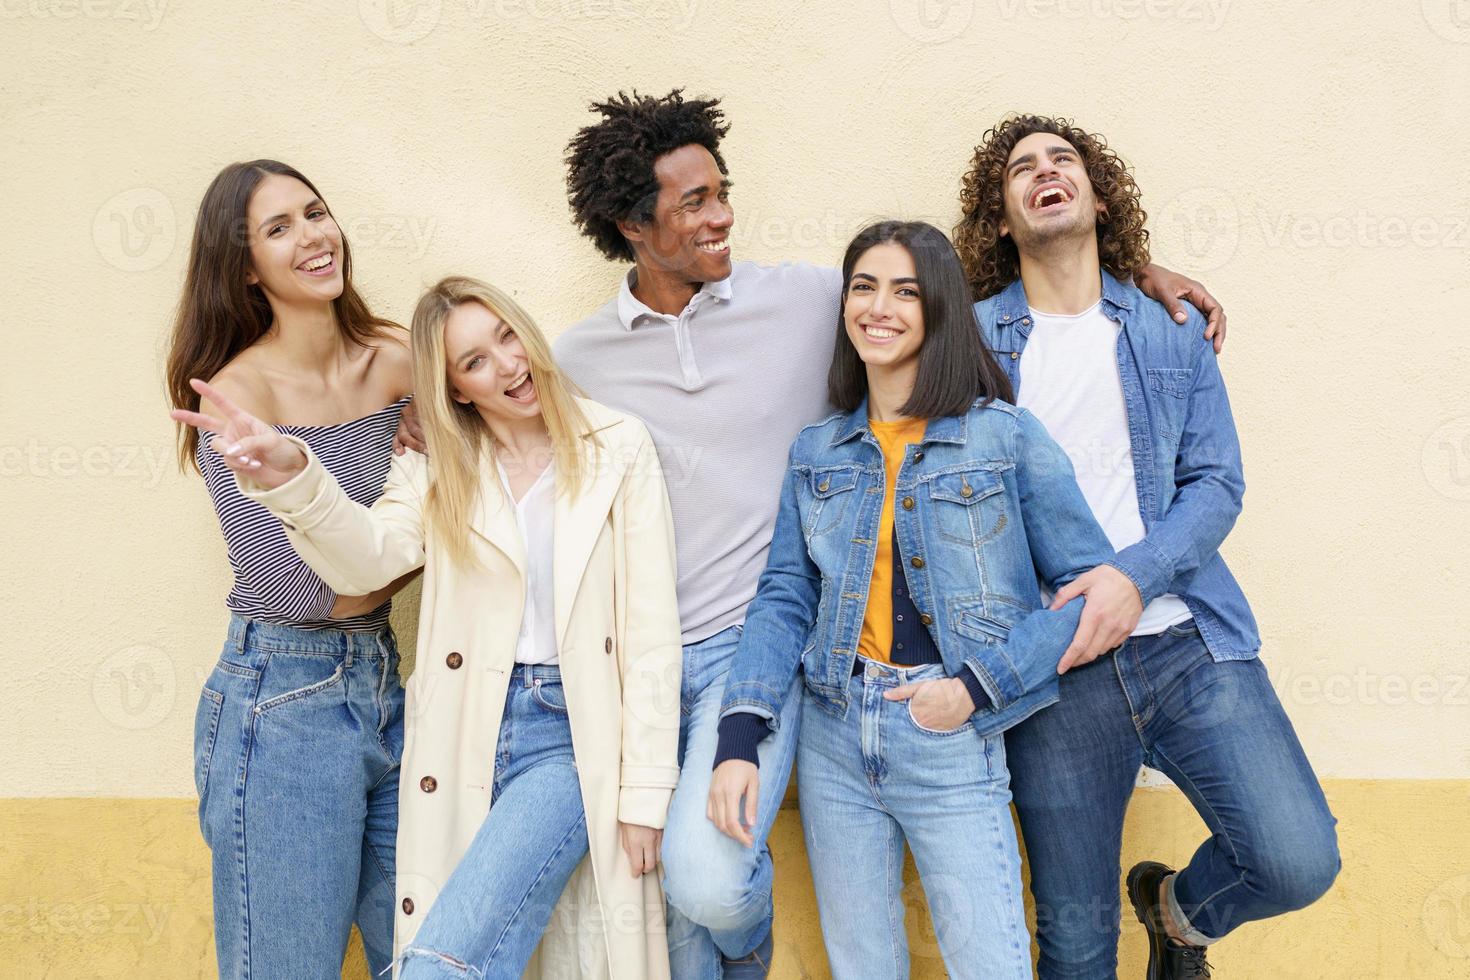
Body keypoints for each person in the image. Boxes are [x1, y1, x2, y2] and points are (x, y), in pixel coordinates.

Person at [399, 89, 1230, 979]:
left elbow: (933, 292)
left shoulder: (808, 299)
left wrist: (1136, 281)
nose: (722, 217)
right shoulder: (576, 360)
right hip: (630, 665)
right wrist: (408, 400)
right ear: (630, 226)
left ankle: (746, 942)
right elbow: (488, 389)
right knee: (677, 923)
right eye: (694, 204)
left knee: (710, 880)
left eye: (722, 191)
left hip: (756, 656)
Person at [171, 276, 682, 979]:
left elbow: (652, 630)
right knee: (444, 954)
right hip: (456, 735)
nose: (506, 366)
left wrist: (647, 796)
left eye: (508, 338)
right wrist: (296, 476)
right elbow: (367, 559)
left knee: (442, 965)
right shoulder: (438, 465)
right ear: (455, 389)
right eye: (474, 362)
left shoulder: (616, 447)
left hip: (569, 738)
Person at [956, 114, 1340, 979]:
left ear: (1098, 198)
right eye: (1023, 168)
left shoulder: (1167, 324)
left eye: (1065, 161)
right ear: (1003, 216)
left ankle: (1177, 915)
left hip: (1188, 644)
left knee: (1296, 859)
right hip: (1056, 673)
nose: (1046, 172)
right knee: (1079, 948)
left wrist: (1132, 579)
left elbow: (1217, 483)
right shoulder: (974, 344)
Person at [706, 219, 1128, 978]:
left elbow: (1092, 596)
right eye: (864, 287)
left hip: (951, 735)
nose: (880, 306)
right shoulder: (818, 451)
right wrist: (741, 731)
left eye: (905, 290)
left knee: (990, 965)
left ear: (937, 307)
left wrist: (973, 689)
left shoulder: (1001, 437)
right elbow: (782, 599)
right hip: (835, 736)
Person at [165, 159, 415, 979]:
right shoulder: (238, 402)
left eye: (315, 213)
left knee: (426, 958)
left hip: (390, 691)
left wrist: (440, 481)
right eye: (279, 229)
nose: (312, 237)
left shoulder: (400, 360)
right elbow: (312, 588)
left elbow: (489, 498)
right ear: (245, 268)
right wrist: (422, 525)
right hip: (282, 701)